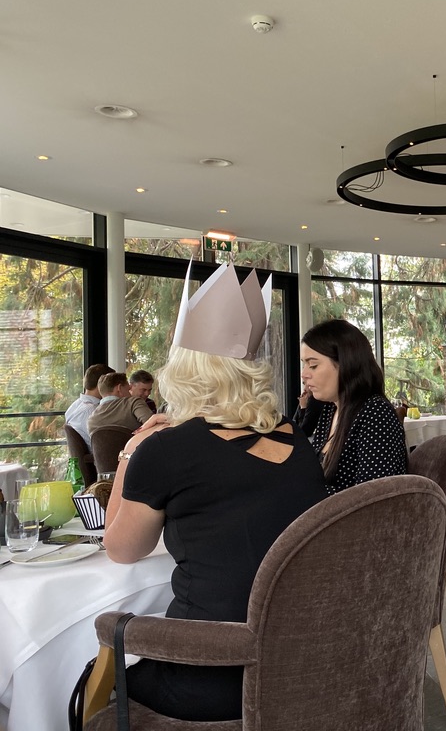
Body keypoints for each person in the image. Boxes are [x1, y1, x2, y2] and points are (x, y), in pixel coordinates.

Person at [103, 262, 327, 722]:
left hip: (209, 674)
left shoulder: (165, 449)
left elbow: (121, 549)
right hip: (300, 666)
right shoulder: (295, 437)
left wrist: (131, 450)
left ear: (184, 368)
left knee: (87, 680)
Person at [300, 319, 408, 494]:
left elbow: (373, 497)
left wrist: (299, 494)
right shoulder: (330, 411)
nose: (304, 374)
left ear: (346, 364)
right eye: (304, 364)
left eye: (313, 365)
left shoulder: (376, 414)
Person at [64, 363, 114, 447]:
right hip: (97, 453)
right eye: (112, 385)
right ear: (101, 384)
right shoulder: (92, 411)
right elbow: (104, 442)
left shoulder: (74, 405)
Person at [87, 372, 154, 434]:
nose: (130, 393)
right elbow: (154, 426)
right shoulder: (133, 403)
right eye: (128, 389)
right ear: (119, 388)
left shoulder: (91, 421)